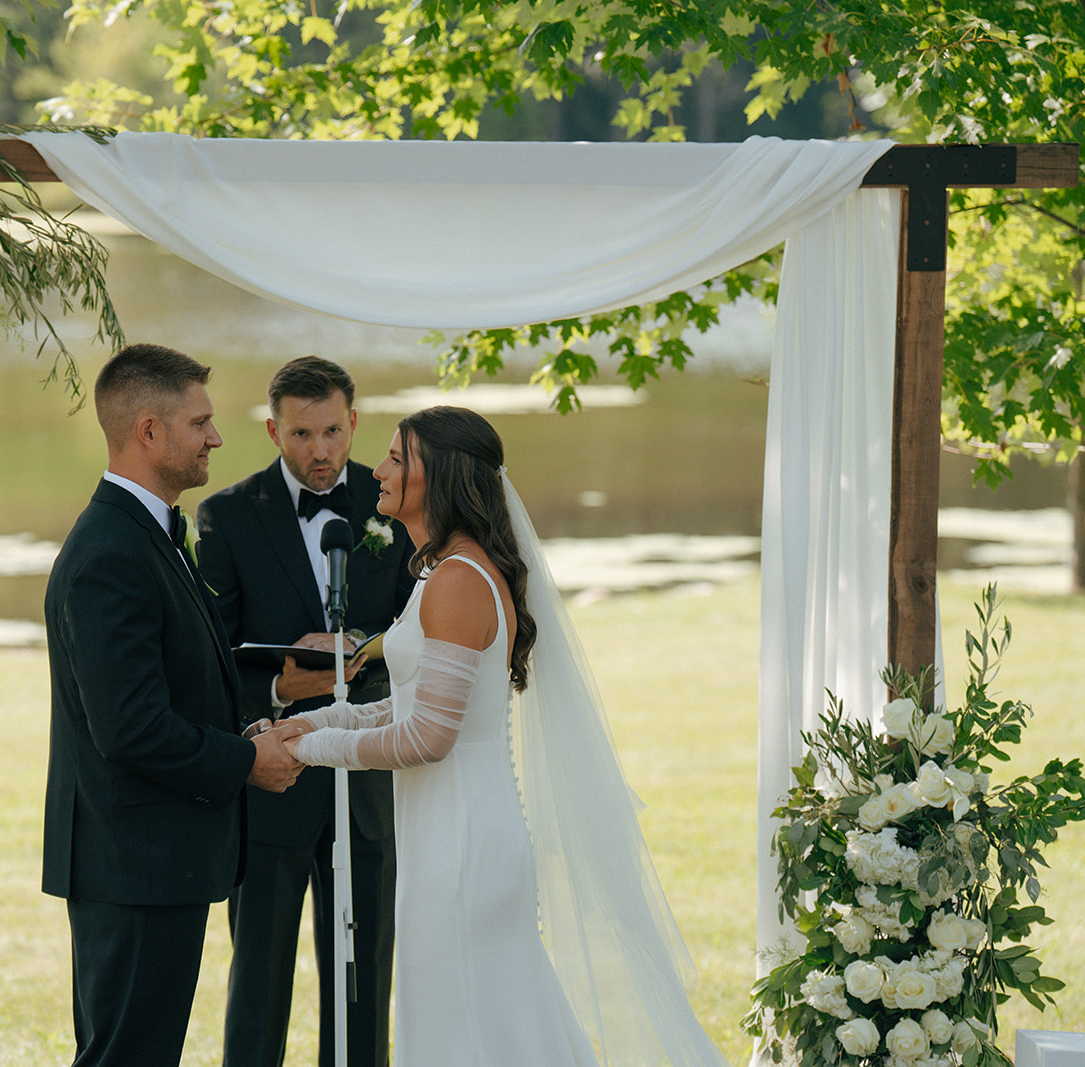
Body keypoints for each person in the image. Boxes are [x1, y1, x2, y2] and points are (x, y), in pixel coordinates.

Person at [278, 406, 727, 1067]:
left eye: (398, 458)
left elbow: (428, 736)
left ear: (443, 476)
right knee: (492, 1031)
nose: (378, 468)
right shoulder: (444, 572)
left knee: (471, 1036)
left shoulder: (459, 581)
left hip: (462, 846)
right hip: (448, 837)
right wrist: (306, 723)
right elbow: (405, 709)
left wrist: (307, 750)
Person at [41, 342, 306, 1067]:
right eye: (201, 422)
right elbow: (129, 727)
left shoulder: (150, 533)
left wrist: (247, 724)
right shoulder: (110, 554)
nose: (217, 437)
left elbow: (170, 687)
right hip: (134, 863)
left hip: (156, 859)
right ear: (149, 431)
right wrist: (245, 760)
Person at [196, 356, 415, 1067]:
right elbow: (212, 654)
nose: (319, 451)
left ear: (353, 423)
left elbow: (422, 625)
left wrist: (365, 652)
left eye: (331, 431)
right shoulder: (226, 516)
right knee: (257, 981)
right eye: (300, 434)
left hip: (368, 781)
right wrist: (280, 692)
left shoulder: (392, 503)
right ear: (272, 429)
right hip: (274, 778)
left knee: (364, 981)